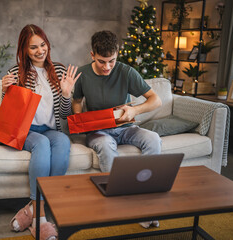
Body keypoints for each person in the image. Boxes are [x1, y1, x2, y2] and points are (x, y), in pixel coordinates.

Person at [72, 30, 162, 228]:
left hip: (126, 128)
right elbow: (77, 100)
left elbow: (156, 100)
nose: (107, 67)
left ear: (117, 54)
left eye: (111, 61)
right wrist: (79, 120)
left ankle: (146, 201)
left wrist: (134, 109)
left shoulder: (126, 71)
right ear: (92, 55)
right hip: (99, 132)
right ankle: (118, 201)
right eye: (102, 61)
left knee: (153, 138)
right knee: (104, 144)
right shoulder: (83, 74)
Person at [2, 24, 81, 240]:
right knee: (42, 145)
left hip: (50, 128)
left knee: (63, 142)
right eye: (33, 47)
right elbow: (9, 115)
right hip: (26, 131)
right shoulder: (16, 72)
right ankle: (40, 219)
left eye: (43, 44)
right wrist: (4, 92)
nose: (40, 51)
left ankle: (34, 208)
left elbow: (64, 114)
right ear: (24, 50)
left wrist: (66, 94)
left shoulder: (59, 70)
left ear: (47, 44)